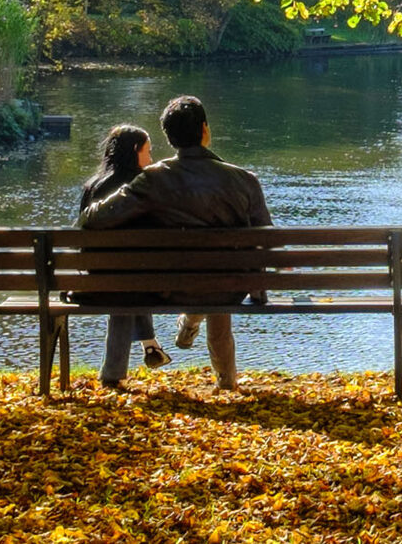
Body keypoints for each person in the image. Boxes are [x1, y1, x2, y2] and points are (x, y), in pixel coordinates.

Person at [79, 95, 274, 388]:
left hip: (170, 288)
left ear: (169, 137)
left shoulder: (153, 179)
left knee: (204, 277)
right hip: (229, 289)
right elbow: (267, 241)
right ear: (205, 130)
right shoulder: (244, 179)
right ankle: (226, 380)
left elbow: (93, 218)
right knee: (221, 277)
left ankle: (190, 328)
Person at [76, 124, 172, 386]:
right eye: (148, 152)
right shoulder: (143, 187)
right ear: (134, 151)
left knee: (126, 276)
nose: (151, 158)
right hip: (140, 282)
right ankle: (131, 359)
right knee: (133, 275)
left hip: (95, 281)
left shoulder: (92, 187)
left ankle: (139, 354)